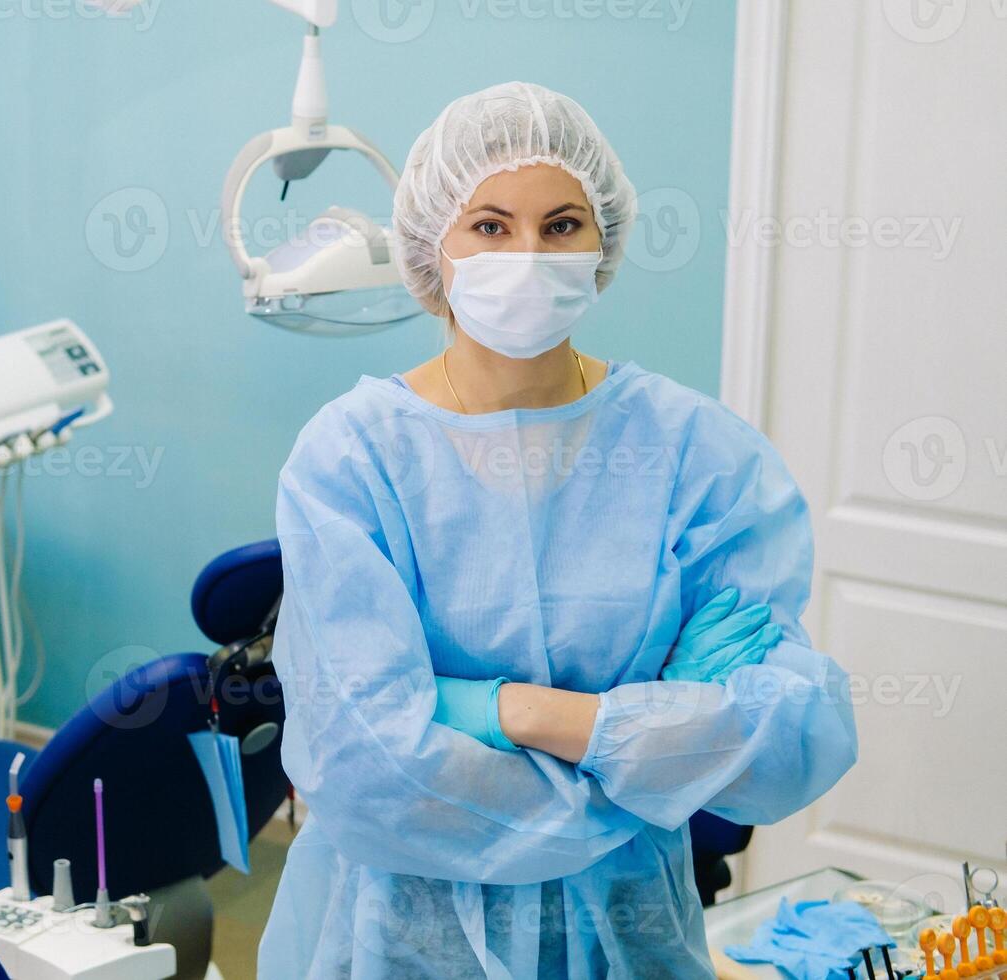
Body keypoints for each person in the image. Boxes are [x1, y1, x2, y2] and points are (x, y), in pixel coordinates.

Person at [256, 82, 858, 978]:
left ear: (603, 239)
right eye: (491, 227)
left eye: (563, 225)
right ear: (433, 247)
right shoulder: (352, 459)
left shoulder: (698, 456)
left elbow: (793, 735)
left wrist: (504, 709)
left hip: (631, 935)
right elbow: (371, 771)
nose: (528, 255)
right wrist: (646, 746)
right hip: (404, 939)